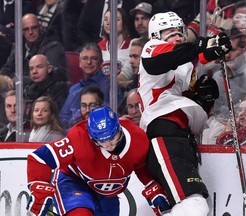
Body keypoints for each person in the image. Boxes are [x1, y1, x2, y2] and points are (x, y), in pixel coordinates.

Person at [137, 11, 232, 215]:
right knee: (194, 205)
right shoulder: (152, 49)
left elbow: (186, 103)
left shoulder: (186, 66)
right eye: (169, 32)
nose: (177, 36)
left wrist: (204, 98)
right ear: (155, 36)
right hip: (163, 134)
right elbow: (163, 61)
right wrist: (202, 47)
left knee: (183, 206)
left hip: (182, 138)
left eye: (179, 32)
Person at [26, 106, 170, 216]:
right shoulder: (79, 137)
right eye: (101, 140)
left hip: (108, 193)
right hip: (74, 181)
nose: (108, 144)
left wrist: (151, 185)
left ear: (119, 128)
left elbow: (139, 164)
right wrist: (39, 186)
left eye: (112, 137)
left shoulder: (137, 138)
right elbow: (40, 158)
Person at [59, 42, 121, 130]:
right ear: (80, 63)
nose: (89, 62)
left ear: (101, 63)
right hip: (69, 134)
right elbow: (63, 118)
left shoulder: (108, 86)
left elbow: (106, 117)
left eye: (94, 59)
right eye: (85, 58)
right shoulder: (74, 88)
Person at [0, 13, 66, 89]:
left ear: (40, 27)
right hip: (22, 89)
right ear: (21, 31)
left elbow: (52, 75)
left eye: (34, 28)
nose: (30, 32)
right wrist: (7, 78)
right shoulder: (20, 46)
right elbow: (6, 69)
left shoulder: (53, 46)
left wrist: (16, 80)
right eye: (26, 29)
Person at [98, 8, 133, 90]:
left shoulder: (132, 45)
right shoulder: (99, 47)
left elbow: (127, 72)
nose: (108, 23)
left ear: (124, 23)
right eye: (106, 19)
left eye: (115, 19)